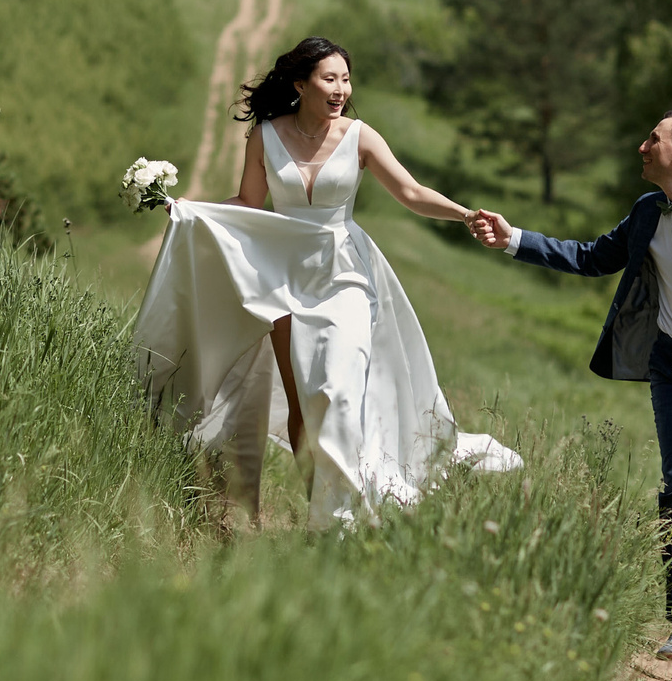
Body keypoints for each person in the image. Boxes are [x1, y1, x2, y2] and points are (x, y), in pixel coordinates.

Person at [134, 37, 521, 524]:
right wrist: (186, 209)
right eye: (329, 79)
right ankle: (321, 508)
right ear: (301, 84)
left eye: (345, 78)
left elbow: (410, 191)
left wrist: (465, 215)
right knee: (301, 403)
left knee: (336, 390)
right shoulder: (266, 136)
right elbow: (250, 204)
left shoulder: (360, 136)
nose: (341, 89)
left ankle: (342, 518)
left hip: (344, 275)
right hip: (282, 278)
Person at [468, 111, 672, 681]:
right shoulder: (645, 213)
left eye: (652, 139)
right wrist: (512, 239)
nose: (642, 146)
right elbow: (590, 257)